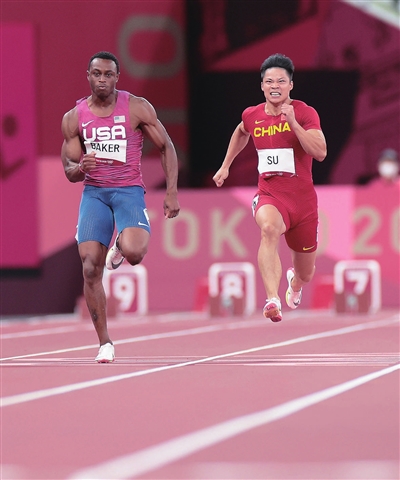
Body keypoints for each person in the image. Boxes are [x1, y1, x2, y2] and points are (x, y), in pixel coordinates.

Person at [61, 51, 180, 362]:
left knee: (135, 253)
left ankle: (119, 247)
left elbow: (166, 146)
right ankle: (105, 343)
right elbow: (69, 169)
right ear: (88, 76)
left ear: (117, 78)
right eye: (97, 74)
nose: (102, 80)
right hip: (95, 194)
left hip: (128, 191)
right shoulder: (74, 118)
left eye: (108, 74)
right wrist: (80, 168)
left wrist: (171, 192)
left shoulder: (137, 107)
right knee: (90, 267)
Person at [213, 53, 327, 322]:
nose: (275, 86)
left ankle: (295, 283)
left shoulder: (305, 112)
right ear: (262, 86)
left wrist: (294, 124)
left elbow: (320, 152)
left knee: (306, 273)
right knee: (268, 229)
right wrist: (226, 165)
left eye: (281, 81)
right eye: (269, 81)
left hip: (303, 204)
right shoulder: (252, 115)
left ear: (291, 85)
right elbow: (241, 131)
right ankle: (272, 299)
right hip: (270, 195)